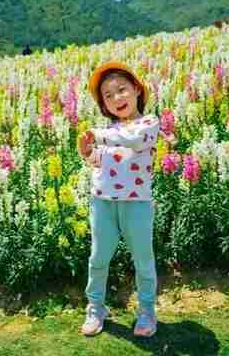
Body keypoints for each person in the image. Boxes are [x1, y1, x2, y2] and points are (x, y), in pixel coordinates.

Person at [78, 61, 159, 337]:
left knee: (143, 261)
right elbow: (101, 161)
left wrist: (98, 135)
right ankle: (95, 307)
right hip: (102, 201)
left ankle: (147, 312)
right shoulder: (110, 132)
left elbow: (133, 140)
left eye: (122, 90)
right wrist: (87, 151)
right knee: (98, 258)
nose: (116, 98)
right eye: (108, 95)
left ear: (137, 90)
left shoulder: (148, 124)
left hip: (136, 204)